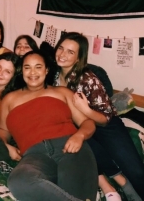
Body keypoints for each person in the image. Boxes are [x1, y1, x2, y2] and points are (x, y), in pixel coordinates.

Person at [54, 32, 144, 201]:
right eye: (61, 48)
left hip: (106, 126)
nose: (62, 54)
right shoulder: (53, 75)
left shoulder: (87, 78)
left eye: (70, 52)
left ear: (79, 58)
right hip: (81, 126)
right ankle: (119, 183)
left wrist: (85, 109)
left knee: (136, 170)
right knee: (77, 145)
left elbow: (105, 118)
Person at [0, 50, 98, 201]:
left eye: (38, 67)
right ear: (21, 71)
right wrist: (5, 145)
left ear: (46, 70)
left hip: (70, 148)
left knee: (74, 191)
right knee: (19, 182)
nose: (32, 72)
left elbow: (88, 122)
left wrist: (79, 135)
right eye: (27, 67)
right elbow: (2, 130)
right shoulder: (9, 99)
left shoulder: (62, 92)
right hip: (34, 155)